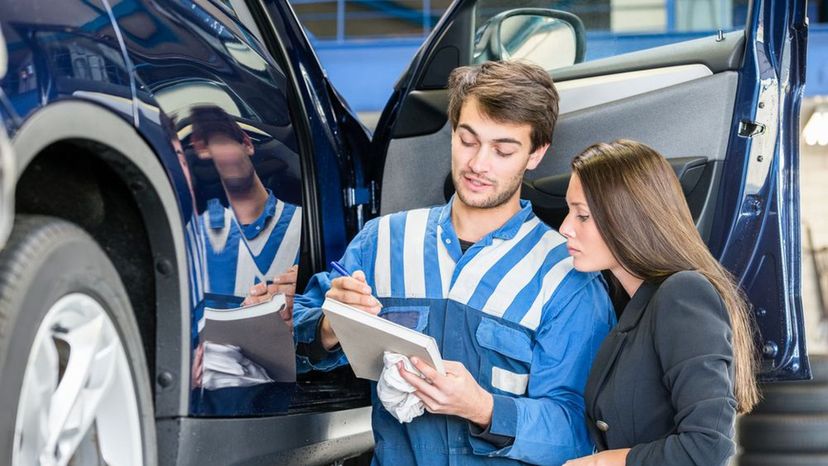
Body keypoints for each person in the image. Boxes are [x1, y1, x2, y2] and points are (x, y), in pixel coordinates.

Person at [291, 61, 616, 465]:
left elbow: (578, 434)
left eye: (503, 150)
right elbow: (291, 335)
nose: (479, 164)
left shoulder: (567, 277)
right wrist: (327, 325)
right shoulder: (383, 241)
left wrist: (483, 408)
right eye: (468, 140)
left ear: (536, 153)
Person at [559, 140, 760, 466]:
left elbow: (707, 447)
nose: (565, 228)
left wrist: (601, 463)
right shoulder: (632, 305)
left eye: (582, 215)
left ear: (627, 218)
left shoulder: (682, 294)